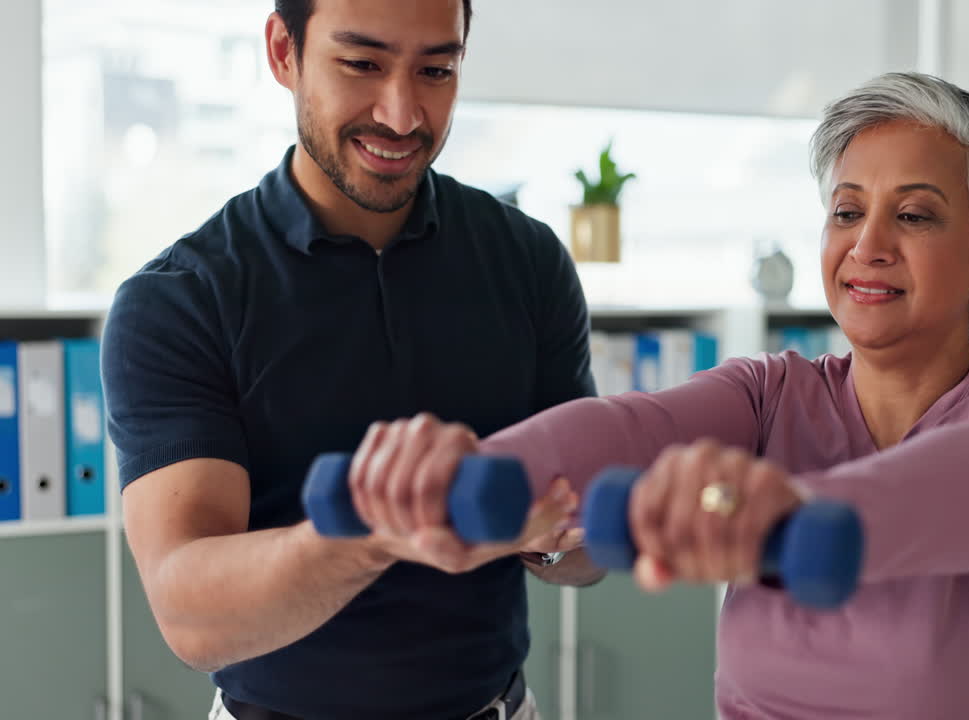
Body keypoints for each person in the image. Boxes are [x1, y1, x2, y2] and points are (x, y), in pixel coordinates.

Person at [349, 72, 969, 719]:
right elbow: (629, 429)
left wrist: (794, 516)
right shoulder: (771, 396)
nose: (868, 244)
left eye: (913, 215)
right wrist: (477, 471)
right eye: (847, 212)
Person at [100, 1, 606, 719]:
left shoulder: (527, 262)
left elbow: (584, 554)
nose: (402, 115)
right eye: (362, 64)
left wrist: (560, 535)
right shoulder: (182, 299)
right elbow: (190, 618)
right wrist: (371, 536)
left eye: (436, 69)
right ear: (285, 52)